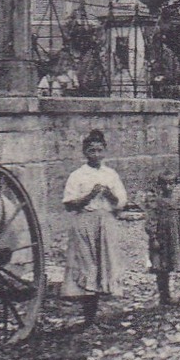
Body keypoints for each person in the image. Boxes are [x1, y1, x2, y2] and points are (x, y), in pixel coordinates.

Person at [61, 129, 128, 326]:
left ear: (105, 151)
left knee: (103, 264)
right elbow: (68, 204)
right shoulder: (77, 175)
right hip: (85, 222)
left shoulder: (110, 174)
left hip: (105, 222)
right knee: (87, 265)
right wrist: (89, 196)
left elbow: (120, 202)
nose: (96, 155)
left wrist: (108, 194)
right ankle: (88, 316)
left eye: (99, 150)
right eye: (92, 151)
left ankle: (97, 311)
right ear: (85, 152)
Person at [140, 170, 180, 306]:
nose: (168, 187)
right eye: (164, 184)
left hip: (174, 233)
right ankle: (163, 295)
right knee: (160, 265)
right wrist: (153, 237)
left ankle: (168, 295)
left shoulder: (179, 196)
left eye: (171, 184)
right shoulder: (155, 199)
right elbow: (151, 219)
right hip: (160, 235)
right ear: (159, 185)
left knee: (171, 263)